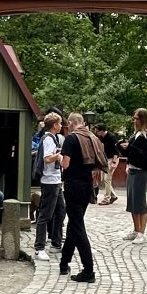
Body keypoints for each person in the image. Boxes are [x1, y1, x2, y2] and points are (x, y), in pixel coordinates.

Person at [59, 112, 104, 283]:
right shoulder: (92, 137)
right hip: (88, 187)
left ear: (71, 123)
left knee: (77, 227)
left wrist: (59, 157)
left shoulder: (72, 139)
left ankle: (88, 270)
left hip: (73, 186)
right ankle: (64, 262)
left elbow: (65, 164)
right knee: (74, 223)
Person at [34, 111, 65, 259]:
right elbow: (47, 159)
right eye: (59, 123)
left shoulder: (53, 138)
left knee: (60, 211)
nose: (61, 126)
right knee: (45, 214)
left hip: (56, 180)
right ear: (54, 125)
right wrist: (58, 156)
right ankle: (39, 247)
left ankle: (56, 243)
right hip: (50, 181)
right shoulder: (48, 139)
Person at [123, 108, 147, 244]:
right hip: (132, 170)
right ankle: (136, 229)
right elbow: (132, 153)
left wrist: (130, 148)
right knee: (132, 202)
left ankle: (141, 232)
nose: (134, 120)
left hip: (141, 172)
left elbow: (146, 156)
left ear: (142, 119)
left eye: (137, 118)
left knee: (140, 202)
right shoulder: (135, 134)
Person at [94, 125, 120, 205]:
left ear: (101, 130)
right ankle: (113, 196)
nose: (96, 132)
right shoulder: (102, 137)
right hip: (106, 159)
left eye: (97, 131)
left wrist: (114, 162)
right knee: (104, 179)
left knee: (107, 179)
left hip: (112, 159)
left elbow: (116, 151)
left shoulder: (111, 137)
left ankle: (106, 198)